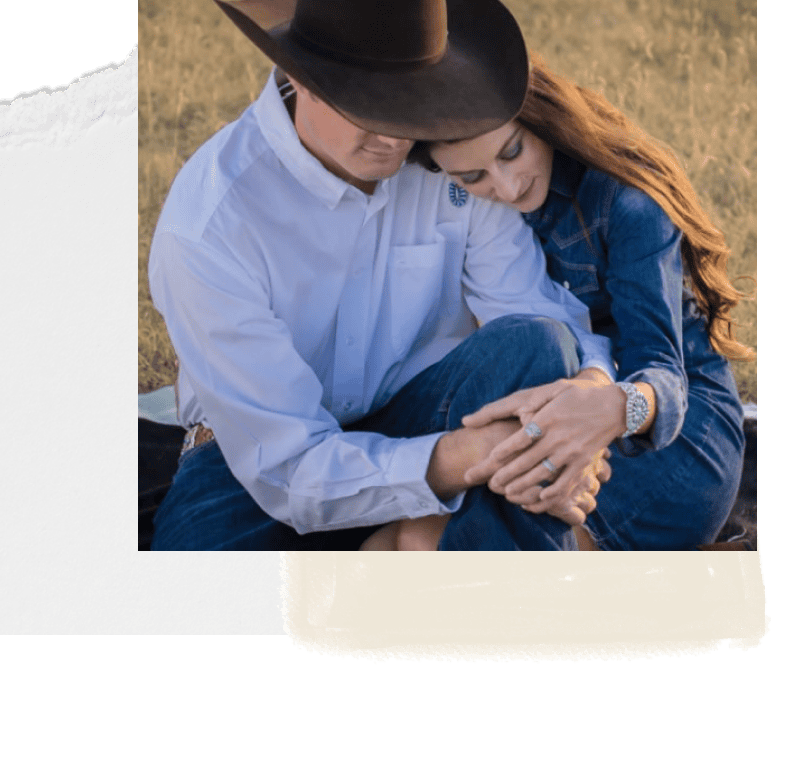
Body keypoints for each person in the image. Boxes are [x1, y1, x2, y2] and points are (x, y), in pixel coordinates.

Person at [147, 0, 616, 551]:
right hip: (253, 466)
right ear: (301, 79)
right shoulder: (210, 224)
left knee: (539, 346)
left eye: (411, 103)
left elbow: (539, 317)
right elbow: (287, 469)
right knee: (203, 615)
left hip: (428, 417)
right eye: (369, 108)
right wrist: (473, 456)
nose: (395, 138)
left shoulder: (449, 159)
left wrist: (581, 408)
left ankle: (482, 593)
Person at [392, 52, 755, 551]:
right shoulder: (465, 211)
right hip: (546, 413)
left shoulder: (625, 204)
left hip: (671, 438)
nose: (505, 186)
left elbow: (664, 374)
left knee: (421, 545)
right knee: (396, 540)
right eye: (472, 178)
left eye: (512, 151)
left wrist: (608, 409)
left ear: (538, 117)